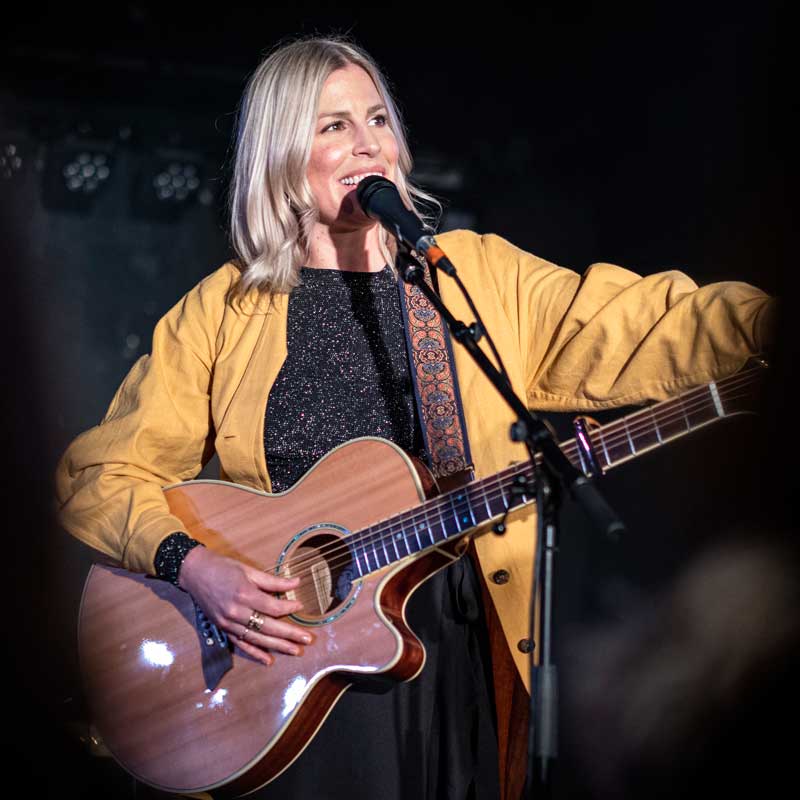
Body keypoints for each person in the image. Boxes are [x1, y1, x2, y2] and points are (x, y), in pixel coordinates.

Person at [55, 35, 774, 800]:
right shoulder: (224, 312)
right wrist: (194, 567)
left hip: (456, 654)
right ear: (281, 155)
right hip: (289, 677)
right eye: (334, 126)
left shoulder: (467, 279)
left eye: (376, 120)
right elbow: (97, 475)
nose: (369, 144)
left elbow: (649, 321)